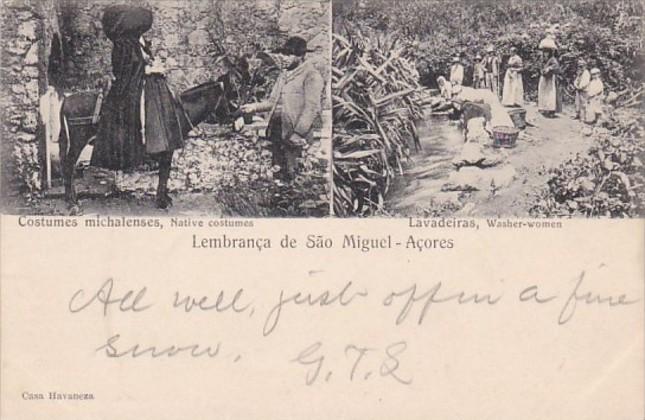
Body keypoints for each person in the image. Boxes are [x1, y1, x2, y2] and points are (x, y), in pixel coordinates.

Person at [90, 5, 185, 207]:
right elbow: (126, 69)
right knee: (136, 109)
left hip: (149, 85)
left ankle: (159, 146)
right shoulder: (123, 44)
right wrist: (150, 70)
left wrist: (154, 67)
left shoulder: (139, 43)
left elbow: (144, 62)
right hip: (131, 86)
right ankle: (144, 144)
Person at [241, 36, 324, 181]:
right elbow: (272, 101)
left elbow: (312, 108)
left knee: (295, 174)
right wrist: (253, 107)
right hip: (277, 129)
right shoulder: (283, 75)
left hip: (295, 132)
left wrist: (298, 133)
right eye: (284, 54)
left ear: (301, 56)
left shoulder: (311, 75)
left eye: (290, 54)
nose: (284, 58)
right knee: (278, 171)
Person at [537, 44, 562, 117]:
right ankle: (544, 108)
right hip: (544, 77)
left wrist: (549, 68)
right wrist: (542, 70)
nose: (545, 54)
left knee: (550, 93)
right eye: (544, 52)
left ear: (550, 53)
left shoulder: (552, 59)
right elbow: (539, 66)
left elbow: (556, 66)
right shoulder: (542, 59)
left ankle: (551, 109)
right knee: (543, 92)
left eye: (547, 52)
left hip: (550, 78)